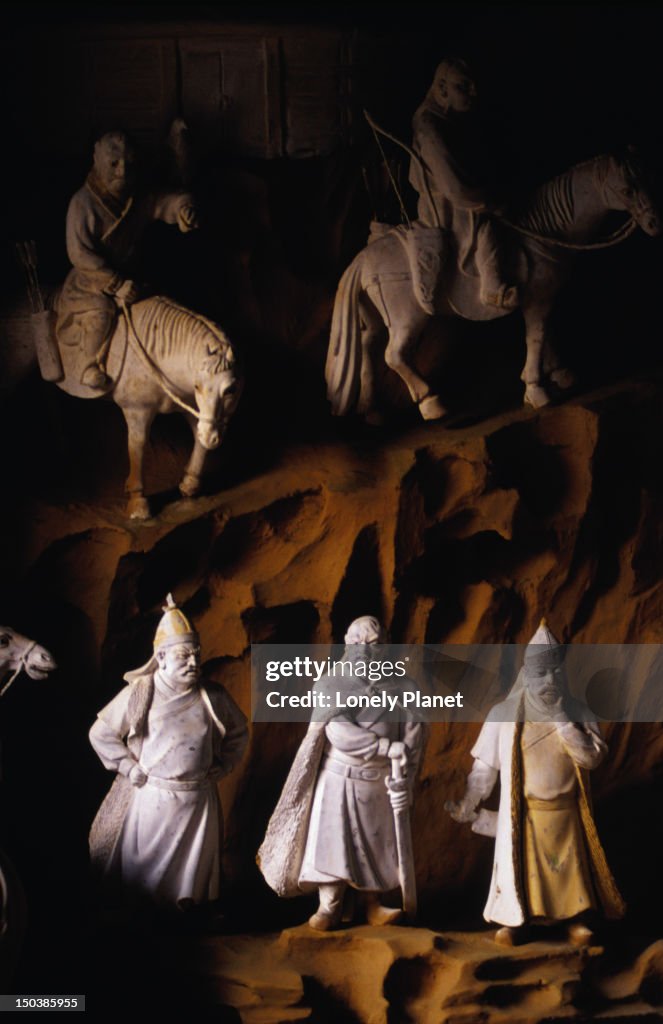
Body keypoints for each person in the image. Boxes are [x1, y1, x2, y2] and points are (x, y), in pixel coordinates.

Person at [446, 621, 625, 946]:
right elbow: (485, 767)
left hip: (567, 816)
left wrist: (562, 722)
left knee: (571, 878)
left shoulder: (578, 713)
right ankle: (517, 921)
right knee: (523, 875)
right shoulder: (503, 714)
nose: (550, 679)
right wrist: (471, 798)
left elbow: (592, 758)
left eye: (556, 671)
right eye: (542, 673)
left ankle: (575, 920)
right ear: (526, 675)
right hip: (524, 816)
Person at [258, 616, 427, 930]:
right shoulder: (332, 684)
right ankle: (329, 907)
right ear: (346, 645)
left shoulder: (405, 688)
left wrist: (407, 776)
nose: (364, 650)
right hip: (339, 779)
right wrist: (385, 747)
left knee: (376, 847)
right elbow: (339, 732)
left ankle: (373, 904)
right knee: (332, 845)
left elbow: (415, 736)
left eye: (373, 643)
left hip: (381, 782)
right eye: (356, 643)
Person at [89, 594, 248, 908]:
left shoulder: (213, 696)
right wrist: (128, 767)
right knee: (144, 882)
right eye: (184, 656)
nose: (193, 663)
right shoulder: (141, 692)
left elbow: (239, 732)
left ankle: (187, 917)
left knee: (191, 882)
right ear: (160, 657)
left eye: (196, 656)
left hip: (198, 802)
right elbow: (101, 733)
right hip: (153, 799)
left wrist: (225, 765)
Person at [57, 130, 197, 391]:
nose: (122, 172)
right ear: (97, 159)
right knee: (102, 311)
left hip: (132, 280)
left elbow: (163, 202)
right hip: (91, 284)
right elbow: (80, 254)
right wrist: (116, 284)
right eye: (113, 164)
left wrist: (183, 209)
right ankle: (89, 364)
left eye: (128, 164)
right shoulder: (83, 203)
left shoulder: (136, 197)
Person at [409, 58, 518, 310]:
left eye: (473, 86)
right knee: (486, 227)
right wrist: (490, 203)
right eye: (464, 86)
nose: (473, 93)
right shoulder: (429, 126)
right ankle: (492, 289)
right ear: (443, 88)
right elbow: (455, 188)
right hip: (443, 206)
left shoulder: (451, 120)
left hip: (455, 197)